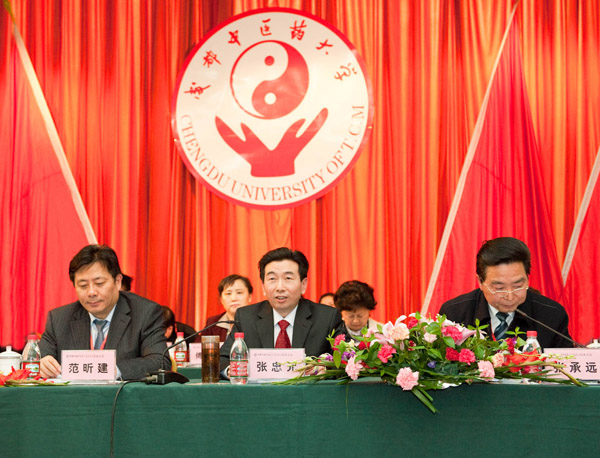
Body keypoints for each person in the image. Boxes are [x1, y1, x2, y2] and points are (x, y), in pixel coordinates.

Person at [39, 244, 170, 380]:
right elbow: (37, 360)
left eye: (99, 283)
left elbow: (160, 361)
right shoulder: (59, 319)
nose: (91, 292)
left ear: (118, 281)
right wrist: (43, 364)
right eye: (83, 285)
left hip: (120, 393)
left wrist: (115, 370)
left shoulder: (145, 313)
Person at [219, 247, 345, 371]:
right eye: (272, 279)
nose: (280, 287)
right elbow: (222, 359)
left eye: (288, 278)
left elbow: (346, 360)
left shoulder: (327, 318)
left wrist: (325, 369)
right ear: (263, 286)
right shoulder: (246, 317)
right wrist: (232, 370)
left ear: (303, 285)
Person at [438, 237, 573, 348]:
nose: (509, 296)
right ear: (480, 281)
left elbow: (566, 367)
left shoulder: (551, 315)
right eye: (499, 288)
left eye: (518, 286)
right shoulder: (455, 314)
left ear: (527, 278)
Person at [198, 274, 253, 343]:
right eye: (228, 294)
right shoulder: (213, 323)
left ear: (250, 297)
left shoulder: (260, 321)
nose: (233, 298)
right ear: (221, 299)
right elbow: (198, 347)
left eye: (239, 293)